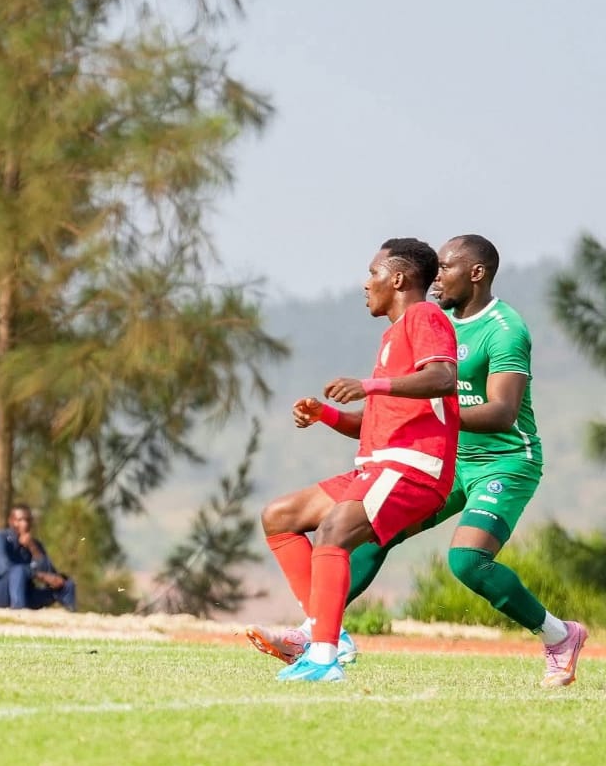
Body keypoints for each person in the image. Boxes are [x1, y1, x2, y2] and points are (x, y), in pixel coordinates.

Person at [243, 235, 589, 687]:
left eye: (446, 267)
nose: (437, 276)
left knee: (467, 561)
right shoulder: (428, 321)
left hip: (503, 459)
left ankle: (559, 636)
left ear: (477, 273)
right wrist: (331, 415)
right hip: (446, 456)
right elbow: (387, 411)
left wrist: (422, 411)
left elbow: (502, 412)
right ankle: (320, 633)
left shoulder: (504, 329)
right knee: (363, 535)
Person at [250, 237, 460, 681]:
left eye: (373, 272)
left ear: (398, 278)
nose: (366, 283)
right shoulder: (393, 335)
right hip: (378, 466)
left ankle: (323, 657)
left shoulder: (425, 315)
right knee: (280, 516)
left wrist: (371, 385)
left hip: (413, 467)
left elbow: (443, 378)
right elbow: (372, 420)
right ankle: (326, 632)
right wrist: (325, 415)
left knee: (334, 531)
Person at [0, 503, 76, 611]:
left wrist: (33, 548)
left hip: (26, 592)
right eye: (20, 520)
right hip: (1, 592)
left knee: (67, 583)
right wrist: (38, 575)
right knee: (19, 571)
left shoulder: (34, 544)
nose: (25, 524)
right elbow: (4, 567)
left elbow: (50, 573)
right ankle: (18, 611)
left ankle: (71, 614)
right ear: (11, 521)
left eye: (28, 520)